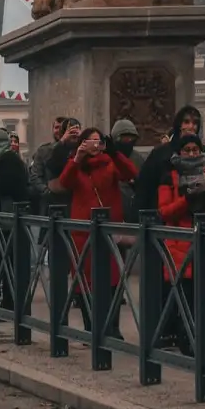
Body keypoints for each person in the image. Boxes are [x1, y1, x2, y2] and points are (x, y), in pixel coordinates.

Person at [57, 127, 138, 336]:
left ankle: (112, 328)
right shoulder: (76, 164)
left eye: (98, 141)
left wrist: (115, 153)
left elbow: (131, 173)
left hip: (108, 230)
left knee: (112, 280)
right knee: (84, 282)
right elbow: (64, 182)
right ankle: (90, 327)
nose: (95, 144)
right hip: (83, 232)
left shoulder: (110, 163)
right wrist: (77, 158)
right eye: (90, 141)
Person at [157, 133, 205, 356]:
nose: (191, 153)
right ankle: (186, 339)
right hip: (179, 243)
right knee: (184, 297)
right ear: (179, 153)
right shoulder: (168, 176)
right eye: (187, 149)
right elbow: (164, 212)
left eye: (195, 149)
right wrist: (187, 198)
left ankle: (202, 341)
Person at [137, 106, 202, 214]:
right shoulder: (160, 153)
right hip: (163, 215)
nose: (191, 127)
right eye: (186, 122)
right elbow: (144, 188)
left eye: (195, 123)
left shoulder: (204, 153)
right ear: (179, 125)